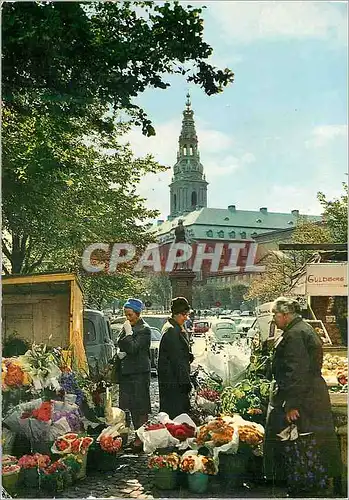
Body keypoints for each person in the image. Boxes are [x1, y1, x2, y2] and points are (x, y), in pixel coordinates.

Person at [263, 297, 342, 497]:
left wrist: (292, 404)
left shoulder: (295, 335)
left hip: (305, 399)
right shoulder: (300, 330)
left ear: (287, 315)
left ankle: (305, 485)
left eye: (276, 314)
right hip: (310, 395)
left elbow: (295, 372)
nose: (274, 319)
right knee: (310, 441)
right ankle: (312, 482)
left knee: (302, 442)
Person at [117, 298, 151, 452]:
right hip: (126, 373)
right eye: (126, 315)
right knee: (125, 407)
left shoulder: (144, 329)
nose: (127, 318)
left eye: (130, 315)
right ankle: (123, 438)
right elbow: (120, 343)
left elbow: (133, 348)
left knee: (140, 408)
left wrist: (129, 335)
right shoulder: (126, 327)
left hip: (139, 374)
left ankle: (140, 440)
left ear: (137, 314)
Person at [158, 297, 194, 419]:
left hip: (171, 381)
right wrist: (186, 383)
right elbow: (177, 360)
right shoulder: (172, 330)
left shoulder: (173, 327)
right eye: (183, 314)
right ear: (175, 314)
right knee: (177, 418)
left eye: (187, 314)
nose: (185, 317)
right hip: (174, 382)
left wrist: (188, 355)